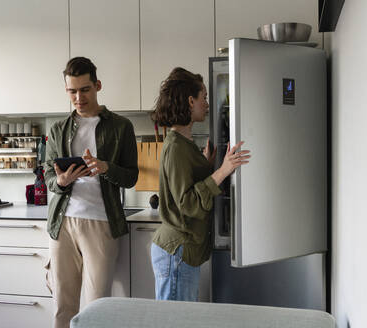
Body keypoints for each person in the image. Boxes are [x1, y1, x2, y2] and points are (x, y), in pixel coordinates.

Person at [44, 57, 138, 328]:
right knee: (63, 304)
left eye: (84, 89)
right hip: (62, 222)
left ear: (97, 86)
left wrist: (106, 167)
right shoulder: (58, 129)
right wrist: (61, 182)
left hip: (101, 222)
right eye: (72, 91)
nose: (78, 97)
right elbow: (48, 176)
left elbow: (131, 177)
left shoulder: (121, 127)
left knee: (98, 306)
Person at [150, 67, 250, 301]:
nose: (207, 103)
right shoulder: (175, 146)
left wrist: (205, 164)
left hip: (182, 250)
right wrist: (224, 170)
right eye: (204, 97)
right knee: (175, 322)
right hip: (177, 251)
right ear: (190, 100)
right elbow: (187, 202)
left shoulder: (184, 143)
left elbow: (188, 180)